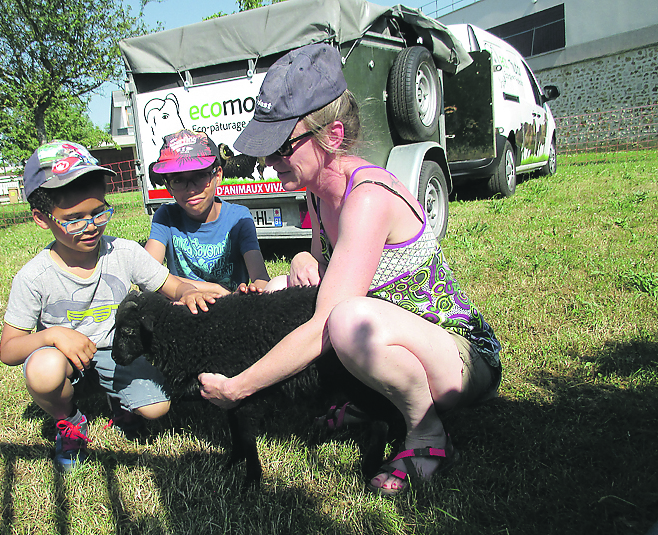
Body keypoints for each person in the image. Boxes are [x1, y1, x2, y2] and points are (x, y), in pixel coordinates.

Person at [198, 44, 502, 496]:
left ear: (332, 136)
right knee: (288, 286)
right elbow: (328, 270)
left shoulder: (368, 197)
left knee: (344, 321)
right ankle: (376, 401)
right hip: (409, 343)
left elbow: (328, 321)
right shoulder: (318, 194)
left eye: (282, 147)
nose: (268, 162)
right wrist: (305, 260)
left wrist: (238, 387)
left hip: (462, 358)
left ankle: (427, 433)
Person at [0, 140, 212, 472]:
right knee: (43, 371)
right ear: (42, 218)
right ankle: (70, 421)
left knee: (157, 409)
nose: (90, 226)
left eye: (99, 212)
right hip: (66, 359)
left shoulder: (123, 252)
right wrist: (52, 336)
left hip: (120, 351)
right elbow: (9, 350)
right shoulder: (33, 277)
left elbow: (169, 284)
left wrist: (187, 291)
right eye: (73, 219)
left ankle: (120, 401)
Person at [145, 129, 270, 294]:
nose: (191, 189)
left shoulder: (239, 218)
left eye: (200, 176)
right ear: (168, 186)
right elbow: (146, 273)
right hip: (184, 312)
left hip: (231, 309)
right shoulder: (165, 216)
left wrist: (253, 291)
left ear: (217, 175)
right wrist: (214, 289)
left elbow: (260, 277)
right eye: (178, 180)